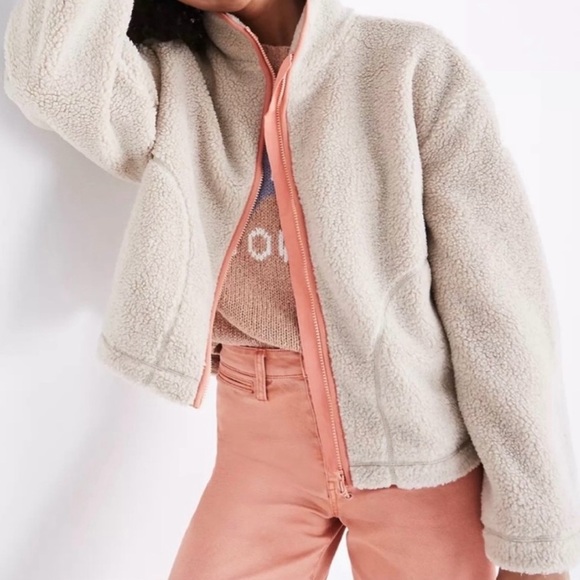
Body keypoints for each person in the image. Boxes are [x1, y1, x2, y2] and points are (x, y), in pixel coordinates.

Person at [4, 0, 579, 577]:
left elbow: (498, 307)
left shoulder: (409, 66)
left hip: (416, 444)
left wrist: (538, 537)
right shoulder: (171, 85)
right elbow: (49, 74)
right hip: (259, 444)